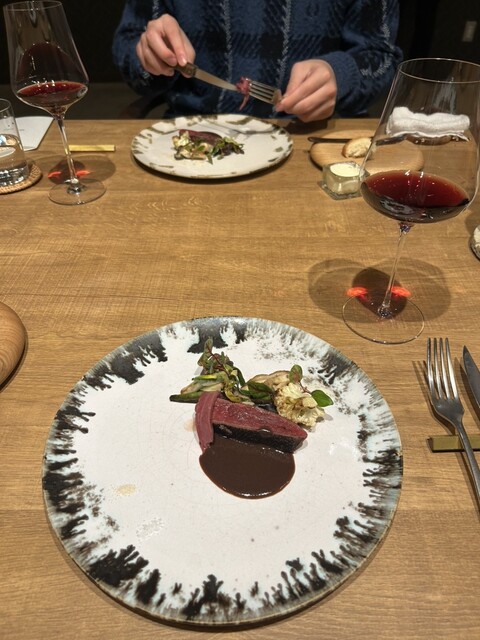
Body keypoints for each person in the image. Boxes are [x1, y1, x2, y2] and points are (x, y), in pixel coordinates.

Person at [112, 1, 402, 122]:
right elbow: (127, 42)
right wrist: (148, 56)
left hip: (310, 139)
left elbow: (381, 56)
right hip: (193, 135)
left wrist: (342, 74)